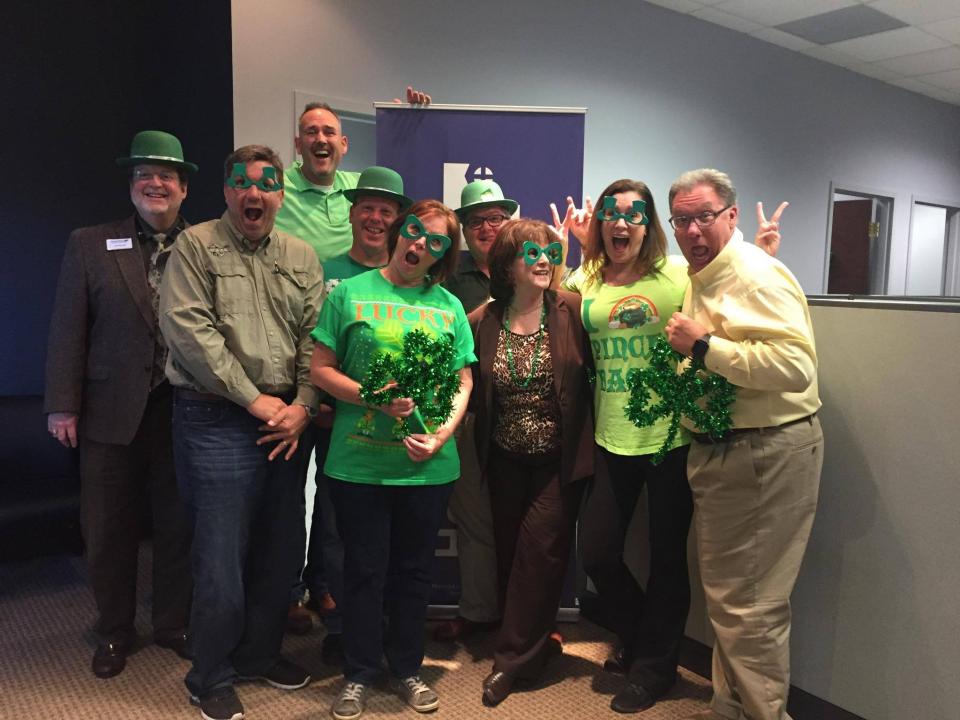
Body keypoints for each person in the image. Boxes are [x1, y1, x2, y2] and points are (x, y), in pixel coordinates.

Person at [555, 183, 785, 714]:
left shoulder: (678, 275)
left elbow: (730, 293)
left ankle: (653, 669)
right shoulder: (585, 279)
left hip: (672, 436)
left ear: (648, 224)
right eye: (611, 215)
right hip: (611, 435)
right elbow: (547, 302)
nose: (621, 224)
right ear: (601, 226)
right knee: (598, 552)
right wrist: (571, 247)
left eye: (633, 215)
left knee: (666, 559)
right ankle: (641, 638)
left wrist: (762, 254)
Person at [159, 145, 323, 720]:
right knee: (220, 561)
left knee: (281, 554)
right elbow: (189, 333)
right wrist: (258, 402)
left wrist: (303, 404)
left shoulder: (301, 256)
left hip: (286, 421)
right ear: (226, 191)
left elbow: (314, 338)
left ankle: (258, 655)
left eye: (266, 184)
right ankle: (210, 675)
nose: (254, 194)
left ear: (280, 193)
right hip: (217, 419)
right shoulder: (195, 245)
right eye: (242, 183)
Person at [662, 169, 821, 720]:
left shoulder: (755, 275)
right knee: (733, 603)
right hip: (727, 453)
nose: (692, 230)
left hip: (761, 451)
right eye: (681, 220)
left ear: (730, 216)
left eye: (704, 216)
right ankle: (728, 709)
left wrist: (704, 346)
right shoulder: (703, 272)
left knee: (749, 609)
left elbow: (796, 367)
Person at [311, 199, 475, 720]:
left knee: (413, 572)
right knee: (362, 570)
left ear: (444, 255)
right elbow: (320, 370)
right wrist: (370, 397)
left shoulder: (448, 306)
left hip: (427, 466)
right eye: (414, 232)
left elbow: (463, 380)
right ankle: (359, 672)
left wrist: (443, 433)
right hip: (358, 464)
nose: (420, 245)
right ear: (400, 231)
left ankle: (407, 668)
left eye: (436, 242)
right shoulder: (352, 293)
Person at [44, 130, 195, 679]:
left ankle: (174, 623)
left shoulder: (204, 244)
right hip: (109, 410)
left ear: (183, 188)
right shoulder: (90, 242)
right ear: (131, 186)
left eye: (166, 176)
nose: (154, 183)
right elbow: (67, 328)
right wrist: (62, 404)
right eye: (143, 176)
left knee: (180, 524)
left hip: (182, 410)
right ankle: (114, 630)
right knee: (108, 528)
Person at [468, 219, 593, 706]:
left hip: (556, 463)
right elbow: (468, 387)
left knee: (539, 554)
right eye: (531, 253)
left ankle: (510, 662)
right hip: (502, 458)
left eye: (549, 252)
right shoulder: (482, 320)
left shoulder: (573, 311)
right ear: (507, 265)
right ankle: (534, 645)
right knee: (509, 553)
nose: (544, 260)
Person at [297, 166, 412, 664]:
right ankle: (345, 625)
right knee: (338, 528)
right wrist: (317, 400)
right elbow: (310, 340)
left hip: (399, 426)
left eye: (386, 210)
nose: (375, 217)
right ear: (352, 212)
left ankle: (386, 624)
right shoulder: (325, 270)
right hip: (336, 421)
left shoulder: (411, 274)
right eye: (367, 207)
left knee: (394, 531)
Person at [433, 179, 518, 643]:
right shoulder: (446, 275)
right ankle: (479, 612)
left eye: (495, 218)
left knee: (528, 521)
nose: (487, 228)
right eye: (476, 220)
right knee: (473, 518)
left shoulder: (529, 266)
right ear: (463, 228)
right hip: (466, 415)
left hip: (525, 417)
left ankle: (528, 621)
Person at [275, 89, 430, 262]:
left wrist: (404, 125)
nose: (321, 139)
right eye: (311, 132)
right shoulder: (276, 186)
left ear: (344, 145)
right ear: (298, 145)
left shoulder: (360, 185)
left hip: (358, 287)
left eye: (329, 132)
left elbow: (401, 192)